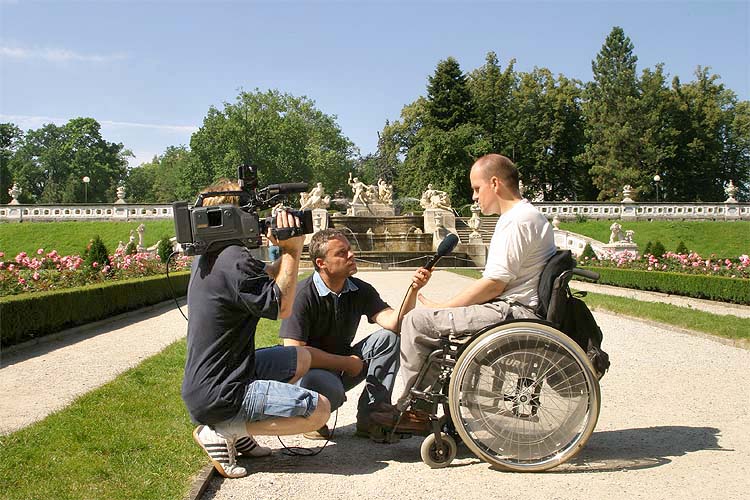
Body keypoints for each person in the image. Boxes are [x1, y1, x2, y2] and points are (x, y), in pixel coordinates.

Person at [371, 154, 556, 431]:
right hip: (516, 309)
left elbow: (494, 283)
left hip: (513, 313)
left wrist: (446, 306)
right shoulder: (529, 216)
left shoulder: (515, 221)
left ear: (495, 183)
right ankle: (418, 406)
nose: (473, 197)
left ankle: (417, 412)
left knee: (416, 321)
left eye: (477, 188)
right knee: (428, 322)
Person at [182, 179, 337, 479]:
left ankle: (237, 433)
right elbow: (282, 308)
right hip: (221, 392)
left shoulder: (216, 254)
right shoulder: (233, 260)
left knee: (300, 358)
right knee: (319, 410)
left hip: (214, 380)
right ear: (233, 214)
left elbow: (269, 277)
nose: (255, 219)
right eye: (248, 211)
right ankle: (223, 429)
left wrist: (281, 250)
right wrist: (294, 250)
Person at [279, 228, 432, 439]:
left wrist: (413, 289)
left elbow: (394, 323)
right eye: (342, 253)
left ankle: (372, 416)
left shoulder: (359, 289)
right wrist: (346, 363)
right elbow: (293, 353)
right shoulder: (302, 295)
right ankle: (313, 417)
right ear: (321, 263)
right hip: (308, 374)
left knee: (389, 338)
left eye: (349, 249)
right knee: (327, 386)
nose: (351, 255)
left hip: (345, 365)